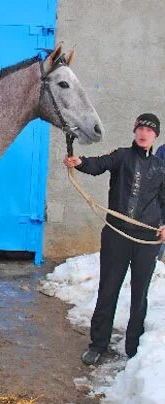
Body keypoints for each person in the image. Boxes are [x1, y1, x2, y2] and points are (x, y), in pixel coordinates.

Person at [64, 113, 165, 365]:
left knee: (139, 294)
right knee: (108, 289)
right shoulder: (121, 156)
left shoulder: (160, 167)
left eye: (149, 130)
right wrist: (79, 162)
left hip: (146, 239)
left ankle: (133, 348)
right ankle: (98, 345)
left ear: (156, 136)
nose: (144, 133)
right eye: (140, 128)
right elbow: (98, 164)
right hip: (116, 235)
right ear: (134, 131)